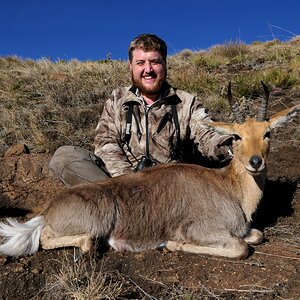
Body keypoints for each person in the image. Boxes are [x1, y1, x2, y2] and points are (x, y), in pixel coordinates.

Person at [49, 33, 232, 186]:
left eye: (154, 62)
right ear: (131, 67)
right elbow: (105, 144)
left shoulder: (186, 103)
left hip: (171, 189)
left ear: (165, 64)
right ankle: (120, 210)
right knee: (65, 156)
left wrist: (232, 145)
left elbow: (207, 134)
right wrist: (131, 181)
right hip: (122, 185)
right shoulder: (117, 100)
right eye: (140, 63)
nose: (148, 69)